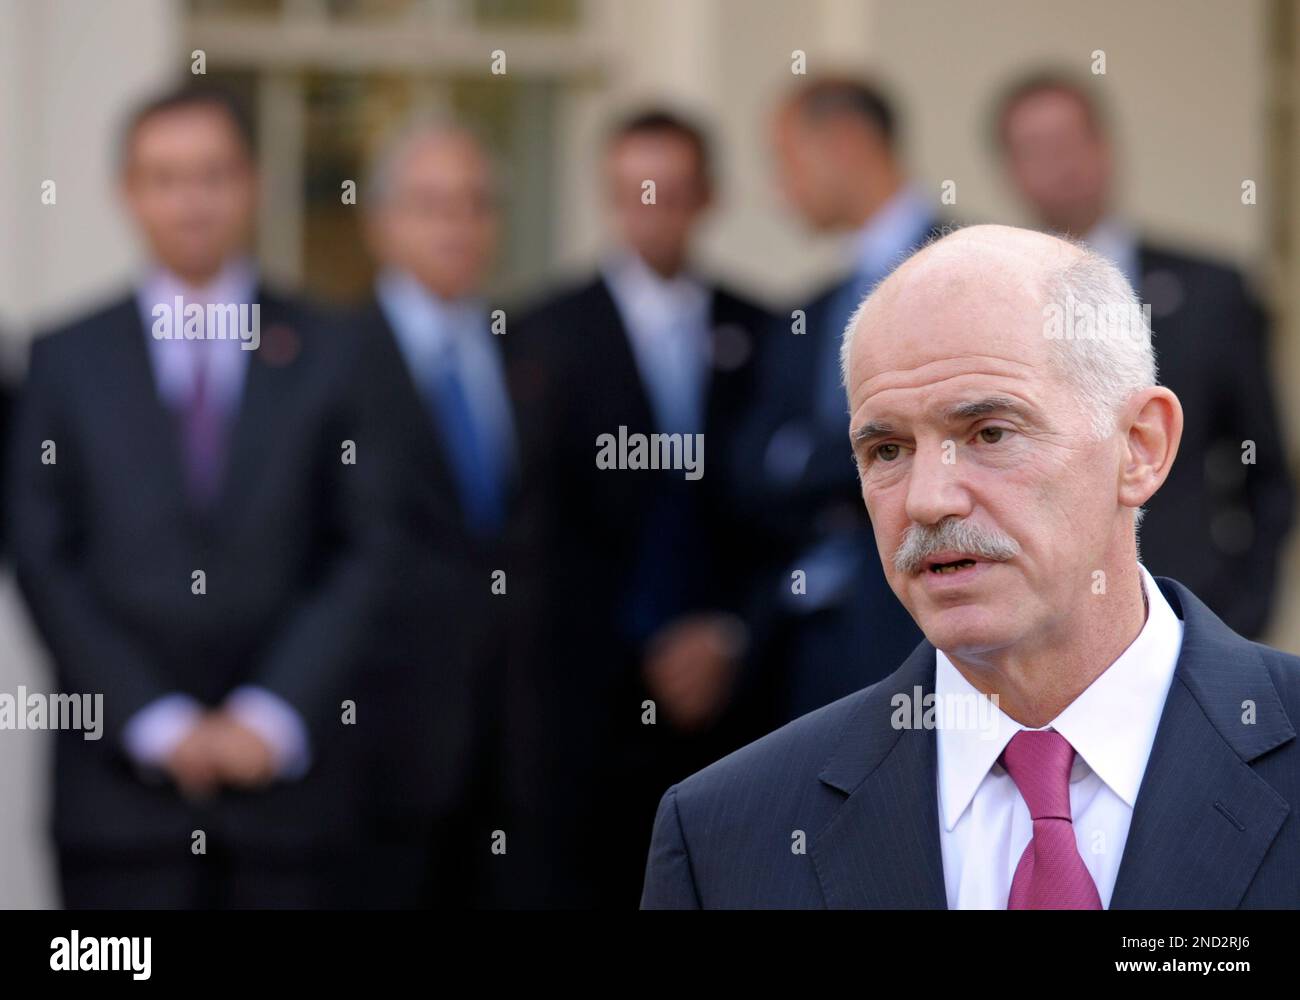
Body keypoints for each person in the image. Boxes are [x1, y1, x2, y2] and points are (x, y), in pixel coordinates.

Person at [641, 225, 1300, 909]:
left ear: (1139, 448)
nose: (929, 500)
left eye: (989, 434)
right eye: (888, 450)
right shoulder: (727, 837)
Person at [6, 85, 383, 908]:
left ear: (250, 184)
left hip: (294, 807)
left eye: (212, 174)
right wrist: (155, 720)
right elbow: (41, 551)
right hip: (117, 808)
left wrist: (273, 714)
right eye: (166, 177)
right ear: (128, 192)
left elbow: (366, 544)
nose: (191, 200)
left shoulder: (333, 349)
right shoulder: (63, 359)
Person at [519, 109, 771, 907]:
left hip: (740, 699)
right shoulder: (537, 336)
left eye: (672, 191)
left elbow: (780, 518)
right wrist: (644, 641)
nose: (652, 210)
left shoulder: (765, 329)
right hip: (586, 708)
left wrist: (727, 633)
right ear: (608, 197)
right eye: (634, 192)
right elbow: (532, 529)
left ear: (710, 198)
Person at [994, 71, 1293, 638]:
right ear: (1009, 168)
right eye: (1036, 149)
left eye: (1071, 141)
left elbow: (1267, 473)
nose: (1060, 164)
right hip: (1038, 622)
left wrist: (1245, 615)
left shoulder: (1212, 291)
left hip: (1193, 611)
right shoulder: (992, 300)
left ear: (1106, 146)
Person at [348, 122, 552, 906]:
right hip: (377, 755)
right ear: (381, 222)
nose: (457, 225)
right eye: (431, 204)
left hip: (523, 755)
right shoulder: (330, 364)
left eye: (476, 204)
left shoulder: (529, 351)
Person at [736, 77, 939, 722]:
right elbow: (752, 469)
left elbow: (942, 440)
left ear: (846, 143)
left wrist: (815, 460)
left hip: (921, 637)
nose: (778, 188)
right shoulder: (809, 308)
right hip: (802, 644)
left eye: (786, 160)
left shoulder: (970, 272)